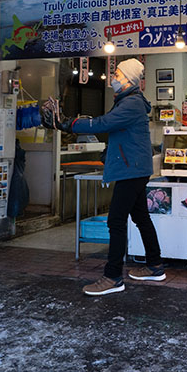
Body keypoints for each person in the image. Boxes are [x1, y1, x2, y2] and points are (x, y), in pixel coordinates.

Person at [41, 58, 164, 296]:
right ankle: (155, 265)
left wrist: (67, 123)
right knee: (141, 218)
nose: (113, 79)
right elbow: (114, 129)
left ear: (129, 80)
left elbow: (102, 123)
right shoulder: (127, 101)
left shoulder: (131, 103)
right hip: (135, 169)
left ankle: (113, 277)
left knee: (116, 222)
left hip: (131, 171)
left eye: (117, 75)